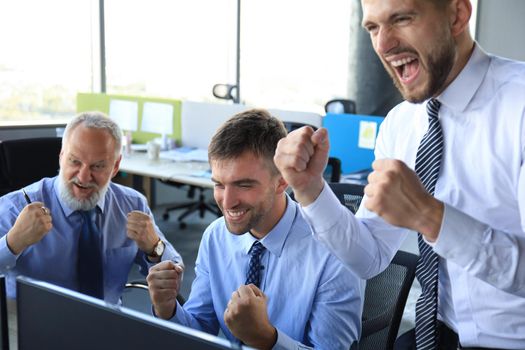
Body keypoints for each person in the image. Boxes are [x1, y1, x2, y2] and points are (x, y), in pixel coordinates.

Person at [274, 0, 525, 349]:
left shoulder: (520, 108)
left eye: (402, 19)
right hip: (435, 334)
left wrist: (430, 216)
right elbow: (369, 257)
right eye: (373, 28)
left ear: (457, 14)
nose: (383, 44)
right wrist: (310, 189)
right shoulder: (401, 123)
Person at [147, 109, 363, 350]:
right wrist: (168, 309)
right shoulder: (216, 237)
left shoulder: (334, 251)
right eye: (219, 184)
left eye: (243, 184)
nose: (227, 203)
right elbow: (199, 330)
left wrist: (266, 339)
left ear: (282, 180)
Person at [0, 111, 182, 304]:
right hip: (33, 324)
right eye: (75, 161)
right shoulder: (16, 206)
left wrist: (154, 248)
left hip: (106, 323)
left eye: (97, 166)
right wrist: (12, 242)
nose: (84, 177)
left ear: (115, 166)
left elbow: (173, 270)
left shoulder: (132, 204)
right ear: (62, 157)